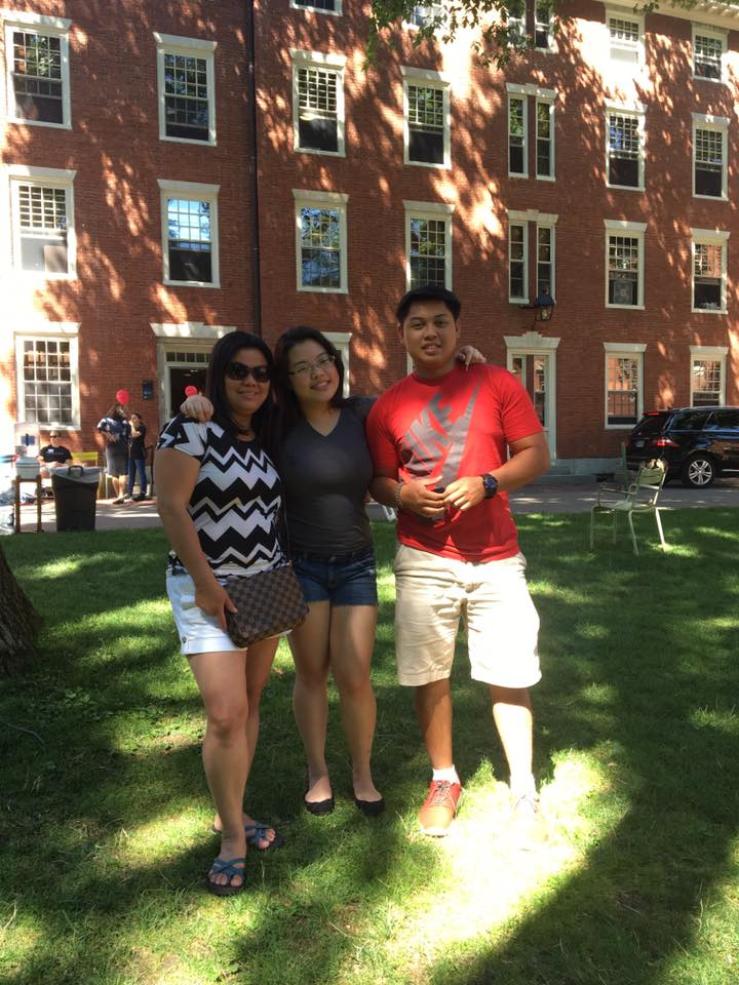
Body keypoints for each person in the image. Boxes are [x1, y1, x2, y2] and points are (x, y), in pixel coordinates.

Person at [182, 331, 485, 818]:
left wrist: (460, 361)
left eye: (324, 360)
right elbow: (226, 419)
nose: (317, 373)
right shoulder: (274, 424)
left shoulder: (364, 413)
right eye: (301, 367)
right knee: (312, 674)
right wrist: (197, 407)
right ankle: (318, 770)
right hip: (300, 566)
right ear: (288, 379)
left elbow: (419, 398)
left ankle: (362, 772)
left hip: (355, 565)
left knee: (355, 674)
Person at [366, 285, 550, 840]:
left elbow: (537, 455)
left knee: (511, 673)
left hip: (497, 558)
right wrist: (400, 495)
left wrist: (489, 481)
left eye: (440, 322)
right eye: (417, 324)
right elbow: (376, 478)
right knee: (429, 675)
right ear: (402, 335)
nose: (430, 333)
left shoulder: (496, 382)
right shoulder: (387, 406)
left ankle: (523, 789)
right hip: (424, 558)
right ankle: (444, 778)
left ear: (457, 329)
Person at [155, 331, 285, 897]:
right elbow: (170, 505)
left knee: (251, 702)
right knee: (227, 713)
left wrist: (465, 364)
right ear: (218, 374)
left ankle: (231, 810)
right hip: (206, 588)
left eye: (261, 372)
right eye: (238, 371)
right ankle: (233, 837)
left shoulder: (266, 434)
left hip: (265, 584)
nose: (251, 381)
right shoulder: (189, 428)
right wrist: (207, 586)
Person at [97, 403, 130, 504]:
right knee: (122, 472)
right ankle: (120, 495)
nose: (123, 411)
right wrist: (109, 435)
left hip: (113, 448)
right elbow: (129, 436)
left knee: (115, 473)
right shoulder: (125, 422)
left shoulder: (106, 420)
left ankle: (119, 495)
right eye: (122, 409)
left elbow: (99, 428)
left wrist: (108, 435)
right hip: (120, 447)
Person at [126, 412, 149, 501]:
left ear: (139, 419)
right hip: (131, 454)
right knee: (131, 474)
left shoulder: (142, 428)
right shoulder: (131, 429)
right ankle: (129, 493)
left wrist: (131, 426)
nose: (132, 420)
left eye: (134, 418)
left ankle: (143, 492)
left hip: (139, 453)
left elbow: (135, 435)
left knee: (141, 473)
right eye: (131, 418)